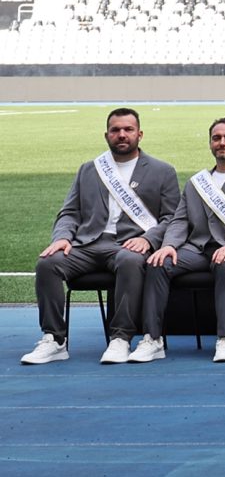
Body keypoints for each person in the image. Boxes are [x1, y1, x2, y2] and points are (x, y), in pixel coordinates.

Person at [23, 107, 181, 366]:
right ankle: (54, 339)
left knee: (131, 261)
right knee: (47, 264)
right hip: (86, 244)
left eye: (128, 130)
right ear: (106, 135)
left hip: (128, 245)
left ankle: (120, 338)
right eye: (115, 130)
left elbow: (172, 218)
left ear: (140, 134)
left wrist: (149, 240)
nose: (121, 135)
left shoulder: (162, 171)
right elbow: (70, 212)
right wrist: (62, 238)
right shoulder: (89, 169)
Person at [144, 118, 225, 362]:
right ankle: (152, 339)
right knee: (157, 263)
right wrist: (168, 246)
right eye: (217, 138)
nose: (222, 143)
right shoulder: (196, 183)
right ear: (210, 143)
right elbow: (179, 220)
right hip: (195, 249)